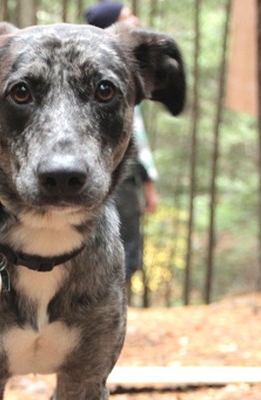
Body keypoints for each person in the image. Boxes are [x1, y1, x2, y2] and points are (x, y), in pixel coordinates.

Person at [85, 1, 159, 282]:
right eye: (127, 17)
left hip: (122, 175)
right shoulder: (114, 77)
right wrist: (149, 182)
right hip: (120, 177)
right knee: (122, 250)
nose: (136, 20)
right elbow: (137, 137)